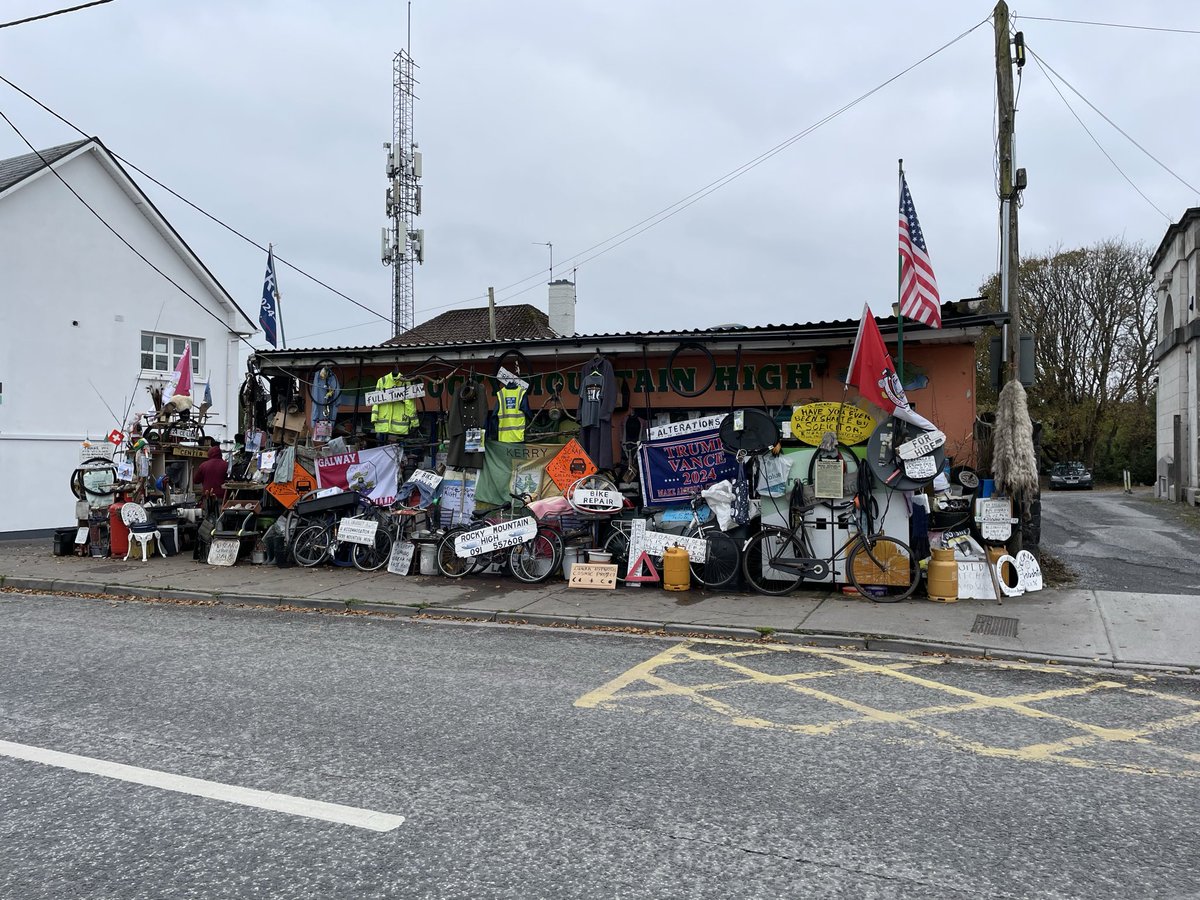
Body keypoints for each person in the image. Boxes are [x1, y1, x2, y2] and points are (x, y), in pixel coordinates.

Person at [193, 444, 228, 508]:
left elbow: (196, 480)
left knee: (207, 516)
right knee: (221, 516)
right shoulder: (226, 465)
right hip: (222, 497)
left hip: (207, 496)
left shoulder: (203, 465)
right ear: (220, 454)